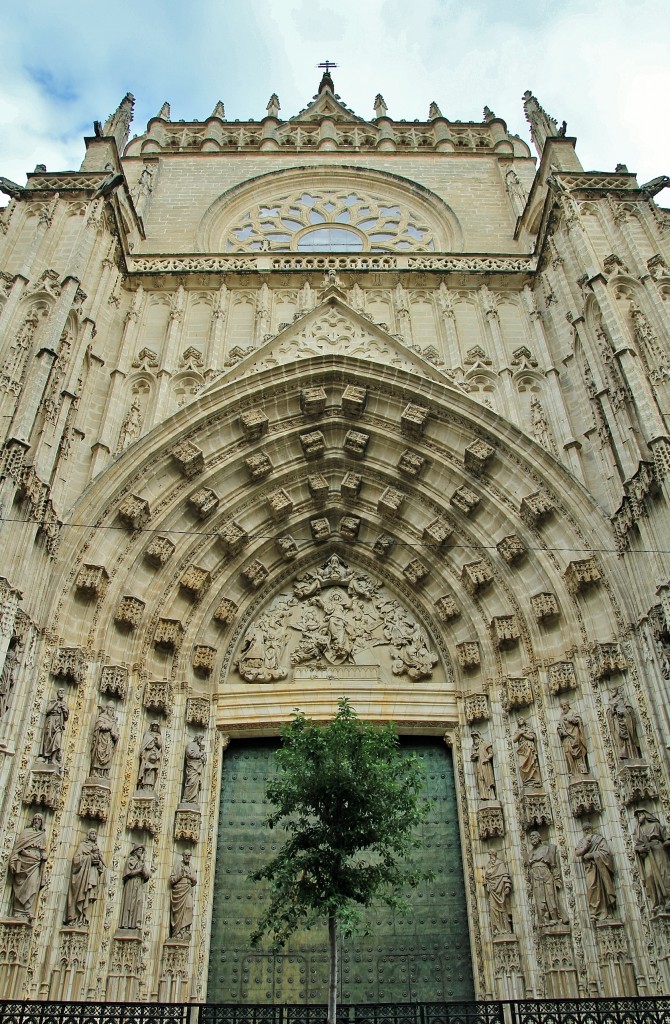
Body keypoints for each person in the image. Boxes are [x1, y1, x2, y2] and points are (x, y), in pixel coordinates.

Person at [8, 814, 48, 921]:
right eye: (35, 819)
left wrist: (44, 854)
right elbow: (17, 848)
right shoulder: (26, 832)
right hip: (24, 863)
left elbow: (43, 849)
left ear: (42, 822)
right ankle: (18, 911)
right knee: (21, 886)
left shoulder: (42, 835)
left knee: (32, 885)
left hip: (35, 864)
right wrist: (12, 862)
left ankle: (27, 910)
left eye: (39, 819)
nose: (36, 821)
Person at [575, 823, 616, 920]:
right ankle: (595, 911)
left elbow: (605, 852)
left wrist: (592, 855)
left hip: (600, 867)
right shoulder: (582, 841)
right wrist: (585, 848)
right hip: (590, 868)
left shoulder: (599, 839)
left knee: (603, 887)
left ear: (591, 829)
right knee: (591, 887)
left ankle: (606, 910)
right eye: (585, 830)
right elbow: (577, 853)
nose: (586, 831)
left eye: (588, 829)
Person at [64, 830, 105, 927]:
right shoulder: (82, 845)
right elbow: (76, 860)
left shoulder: (97, 849)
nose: (94, 835)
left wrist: (98, 862)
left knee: (87, 897)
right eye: (92, 833)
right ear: (88, 835)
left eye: (95, 834)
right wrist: (89, 858)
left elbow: (101, 867)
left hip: (91, 875)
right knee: (79, 895)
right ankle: (74, 919)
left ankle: (83, 919)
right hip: (81, 876)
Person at [634, 808, 670, 912]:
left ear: (646, 814)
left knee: (664, 873)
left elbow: (667, 839)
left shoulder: (656, 825)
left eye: (640, 813)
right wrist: (641, 849)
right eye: (637, 815)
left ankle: (668, 898)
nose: (639, 816)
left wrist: (663, 844)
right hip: (647, 854)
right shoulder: (638, 831)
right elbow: (637, 846)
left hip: (658, 850)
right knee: (650, 876)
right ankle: (657, 902)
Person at [527, 831, 566, 925]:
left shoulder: (547, 849)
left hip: (547, 875)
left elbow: (553, 865)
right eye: (531, 837)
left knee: (550, 897)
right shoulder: (531, 853)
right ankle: (545, 920)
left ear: (539, 837)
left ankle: (555, 918)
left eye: (534, 836)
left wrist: (557, 879)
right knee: (540, 900)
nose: (532, 838)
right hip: (536, 877)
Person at [118, 845, 151, 930]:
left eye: (142, 850)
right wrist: (139, 871)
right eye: (139, 849)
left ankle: (136, 923)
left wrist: (143, 870)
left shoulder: (141, 862)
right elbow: (128, 873)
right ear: (135, 851)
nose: (141, 851)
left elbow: (147, 875)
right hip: (131, 883)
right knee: (129, 902)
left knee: (138, 902)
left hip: (139, 883)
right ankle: (125, 923)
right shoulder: (131, 860)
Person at [606, 687, 642, 761]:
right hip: (616, 723)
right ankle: (623, 754)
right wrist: (613, 710)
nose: (612, 691)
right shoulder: (610, 702)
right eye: (611, 690)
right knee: (618, 737)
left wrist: (623, 712)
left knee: (629, 738)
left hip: (625, 721)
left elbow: (629, 709)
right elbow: (609, 713)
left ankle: (633, 756)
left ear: (617, 691)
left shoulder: (623, 698)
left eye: (613, 690)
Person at [169, 850, 197, 939]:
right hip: (179, 891)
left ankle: (184, 930)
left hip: (187, 889)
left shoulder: (191, 866)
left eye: (189, 855)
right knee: (178, 911)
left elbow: (195, 880)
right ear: (183, 855)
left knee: (189, 907)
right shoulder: (178, 865)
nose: (187, 857)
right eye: (186, 855)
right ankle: (177, 932)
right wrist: (180, 875)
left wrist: (190, 877)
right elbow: (172, 879)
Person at [484, 850, 513, 934]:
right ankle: (497, 928)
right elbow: (486, 877)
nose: (490, 856)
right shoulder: (488, 865)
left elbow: (505, 876)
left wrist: (507, 886)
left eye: (490, 854)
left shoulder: (500, 864)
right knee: (493, 908)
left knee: (502, 909)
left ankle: (505, 928)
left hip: (500, 890)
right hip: (492, 890)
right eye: (489, 855)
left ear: (494, 854)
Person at [557, 701, 589, 775]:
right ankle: (573, 772)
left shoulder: (573, 712)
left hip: (575, 736)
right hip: (567, 737)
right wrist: (561, 732)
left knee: (579, 753)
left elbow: (578, 720)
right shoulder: (561, 716)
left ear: (568, 705)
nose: (563, 707)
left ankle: (582, 770)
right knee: (568, 753)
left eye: (564, 705)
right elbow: (559, 727)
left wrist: (571, 719)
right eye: (562, 706)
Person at [40, 688, 69, 767]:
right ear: (57, 693)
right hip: (51, 721)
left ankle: (53, 759)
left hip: (59, 723)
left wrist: (65, 710)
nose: (62, 692)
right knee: (49, 739)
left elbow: (66, 717)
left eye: (63, 691)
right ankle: (46, 757)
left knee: (57, 740)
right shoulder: (53, 702)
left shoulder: (65, 704)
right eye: (60, 691)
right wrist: (56, 704)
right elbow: (48, 710)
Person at [90, 702, 120, 778]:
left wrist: (116, 736)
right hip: (101, 740)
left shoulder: (113, 720)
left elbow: (115, 731)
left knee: (108, 756)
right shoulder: (102, 717)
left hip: (109, 742)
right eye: (110, 708)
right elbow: (99, 726)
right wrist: (109, 726)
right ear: (106, 708)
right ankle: (95, 773)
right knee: (99, 754)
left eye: (113, 709)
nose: (111, 710)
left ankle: (104, 774)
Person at [513, 718, 542, 788]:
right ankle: (526, 781)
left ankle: (535, 780)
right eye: (518, 720)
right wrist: (520, 733)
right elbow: (514, 740)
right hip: (522, 749)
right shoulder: (518, 731)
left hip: (529, 747)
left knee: (531, 763)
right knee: (521, 765)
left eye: (521, 719)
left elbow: (532, 738)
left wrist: (523, 734)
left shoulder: (528, 729)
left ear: (524, 721)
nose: (519, 720)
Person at [471, 731, 496, 800]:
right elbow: (472, 758)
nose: (474, 738)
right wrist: (474, 756)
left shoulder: (485, 743)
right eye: (473, 737)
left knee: (487, 778)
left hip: (485, 764)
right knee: (480, 778)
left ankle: (491, 794)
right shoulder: (474, 748)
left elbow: (491, 753)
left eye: (475, 736)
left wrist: (486, 759)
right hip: (478, 765)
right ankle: (484, 795)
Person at [137, 722, 162, 790]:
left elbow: (160, 746)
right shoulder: (147, 734)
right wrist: (143, 753)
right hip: (147, 754)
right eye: (153, 726)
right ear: (151, 727)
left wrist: (156, 742)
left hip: (154, 754)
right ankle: (142, 785)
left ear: (158, 728)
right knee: (145, 768)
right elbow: (144, 746)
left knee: (152, 770)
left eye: (156, 726)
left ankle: (150, 787)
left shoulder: (159, 736)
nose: (154, 727)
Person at [182, 735, 207, 803]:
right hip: (193, 766)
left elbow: (204, 759)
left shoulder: (200, 748)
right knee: (191, 782)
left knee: (196, 783)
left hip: (198, 767)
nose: (201, 740)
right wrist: (200, 754)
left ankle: (193, 799)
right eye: (200, 738)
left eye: (202, 739)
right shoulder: (191, 744)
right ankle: (186, 798)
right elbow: (189, 753)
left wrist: (203, 754)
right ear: (197, 738)